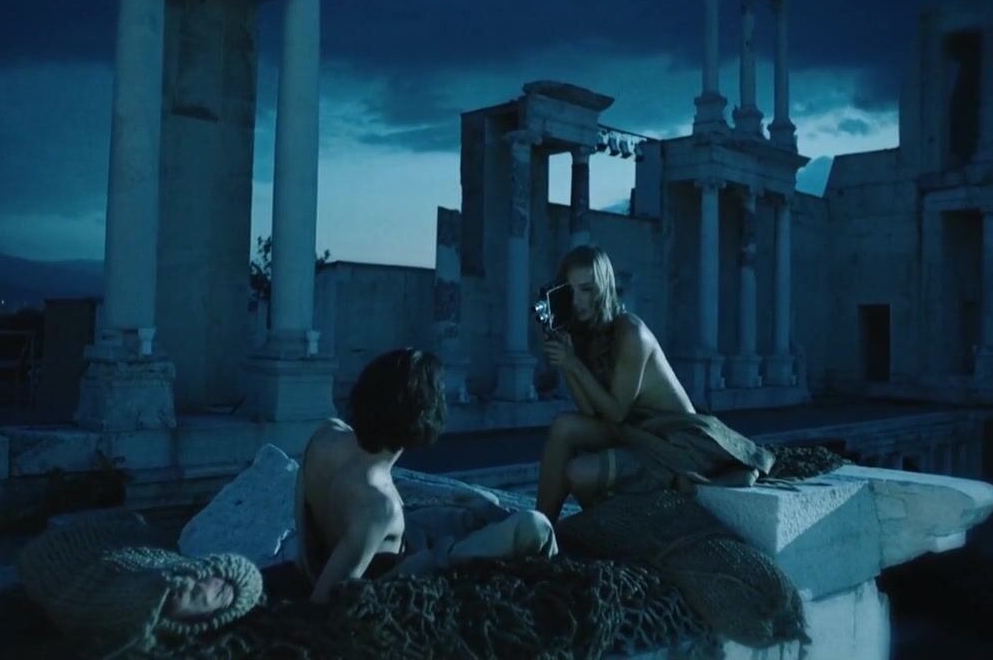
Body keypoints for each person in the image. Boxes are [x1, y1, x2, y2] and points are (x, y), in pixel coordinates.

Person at [295, 347, 558, 604]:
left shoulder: (326, 434)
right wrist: (416, 568)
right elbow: (326, 598)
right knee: (535, 526)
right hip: (418, 564)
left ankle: (483, 512)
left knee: (478, 509)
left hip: (399, 536)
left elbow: (308, 528)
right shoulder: (377, 507)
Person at [535, 245, 775, 522]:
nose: (578, 301)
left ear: (604, 289)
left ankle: (618, 527)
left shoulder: (630, 333)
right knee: (564, 426)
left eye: (587, 289)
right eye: (571, 291)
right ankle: (539, 529)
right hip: (634, 433)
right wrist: (566, 362)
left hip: (673, 443)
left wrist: (574, 364)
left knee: (579, 473)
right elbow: (589, 412)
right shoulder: (588, 333)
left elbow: (616, 413)